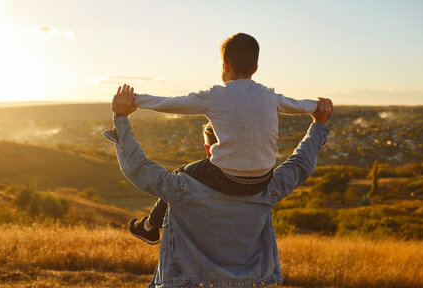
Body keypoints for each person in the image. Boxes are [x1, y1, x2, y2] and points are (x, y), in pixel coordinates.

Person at [104, 85, 332, 288]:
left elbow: (137, 167)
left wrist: (121, 117)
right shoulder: (268, 188)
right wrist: (318, 124)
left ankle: (149, 229)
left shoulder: (183, 188)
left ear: (207, 148)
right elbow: (300, 164)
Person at [125, 33, 329, 244]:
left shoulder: (215, 96)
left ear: (225, 65)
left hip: (227, 178)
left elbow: (170, 103)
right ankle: (149, 226)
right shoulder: (269, 96)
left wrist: (135, 100)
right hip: (263, 179)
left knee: (181, 173)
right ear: (256, 68)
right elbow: (299, 105)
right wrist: (319, 106)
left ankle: (149, 227)